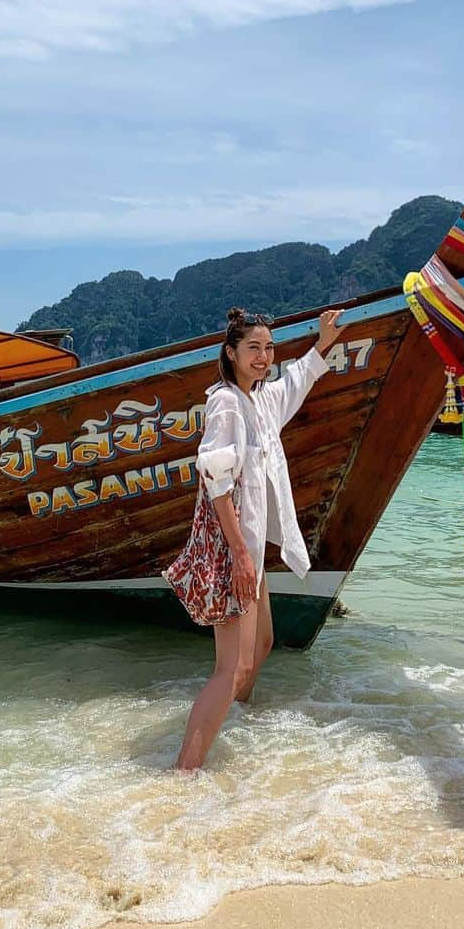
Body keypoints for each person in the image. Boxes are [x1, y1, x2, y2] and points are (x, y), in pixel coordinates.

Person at [169, 306, 343, 771]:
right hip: (235, 549)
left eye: (269, 348)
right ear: (231, 353)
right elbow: (216, 482)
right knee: (232, 669)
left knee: (261, 642)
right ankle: (184, 772)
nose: (264, 357)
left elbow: (295, 383)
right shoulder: (226, 403)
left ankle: (233, 724)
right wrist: (241, 556)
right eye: (253, 348)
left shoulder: (260, 400)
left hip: (249, 550)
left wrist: (323, 342)